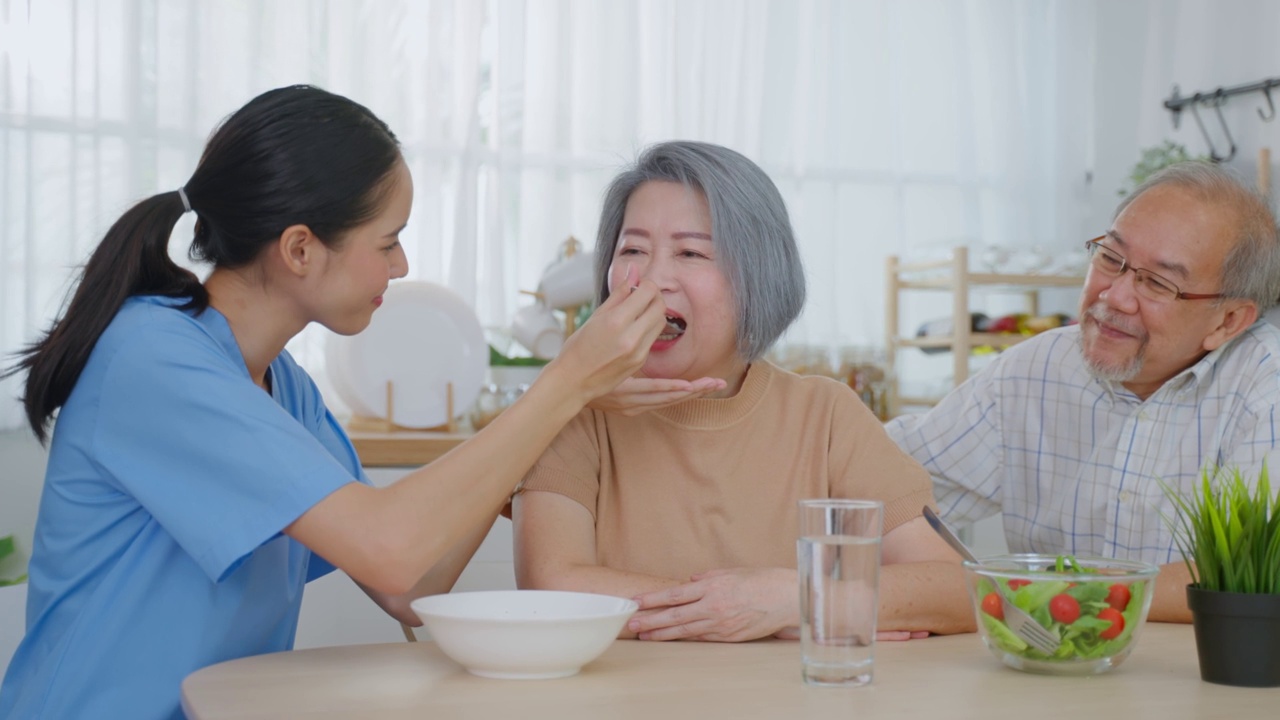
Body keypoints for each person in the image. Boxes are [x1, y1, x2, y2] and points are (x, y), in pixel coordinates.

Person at [0, 85, 685, 720]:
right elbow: (391, 553)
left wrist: (561, 407)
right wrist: (563, 385)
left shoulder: (283, 386)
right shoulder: (151, 357)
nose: (402, 267)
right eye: (387, 242)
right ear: (300, 248)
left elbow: (408, 587)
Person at [512, 140, 973, 643]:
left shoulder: (826, 414)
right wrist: (771, 613)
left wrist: (788, 601)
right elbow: (553, 586)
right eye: (633, 250)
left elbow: (960, 589)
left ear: (758, 277)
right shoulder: (579, 411)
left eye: (690, 252)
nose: (652, 279)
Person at [885, 162, 1280, 624]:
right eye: (1110, 258)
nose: (1113, 297)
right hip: (1050, 674)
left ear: (1228, 321)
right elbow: (890, 481)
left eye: (1157, 283)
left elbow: (1250, 578)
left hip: (1208, 682)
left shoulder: (1265, 390)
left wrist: (1051, 592)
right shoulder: (1036, 368)